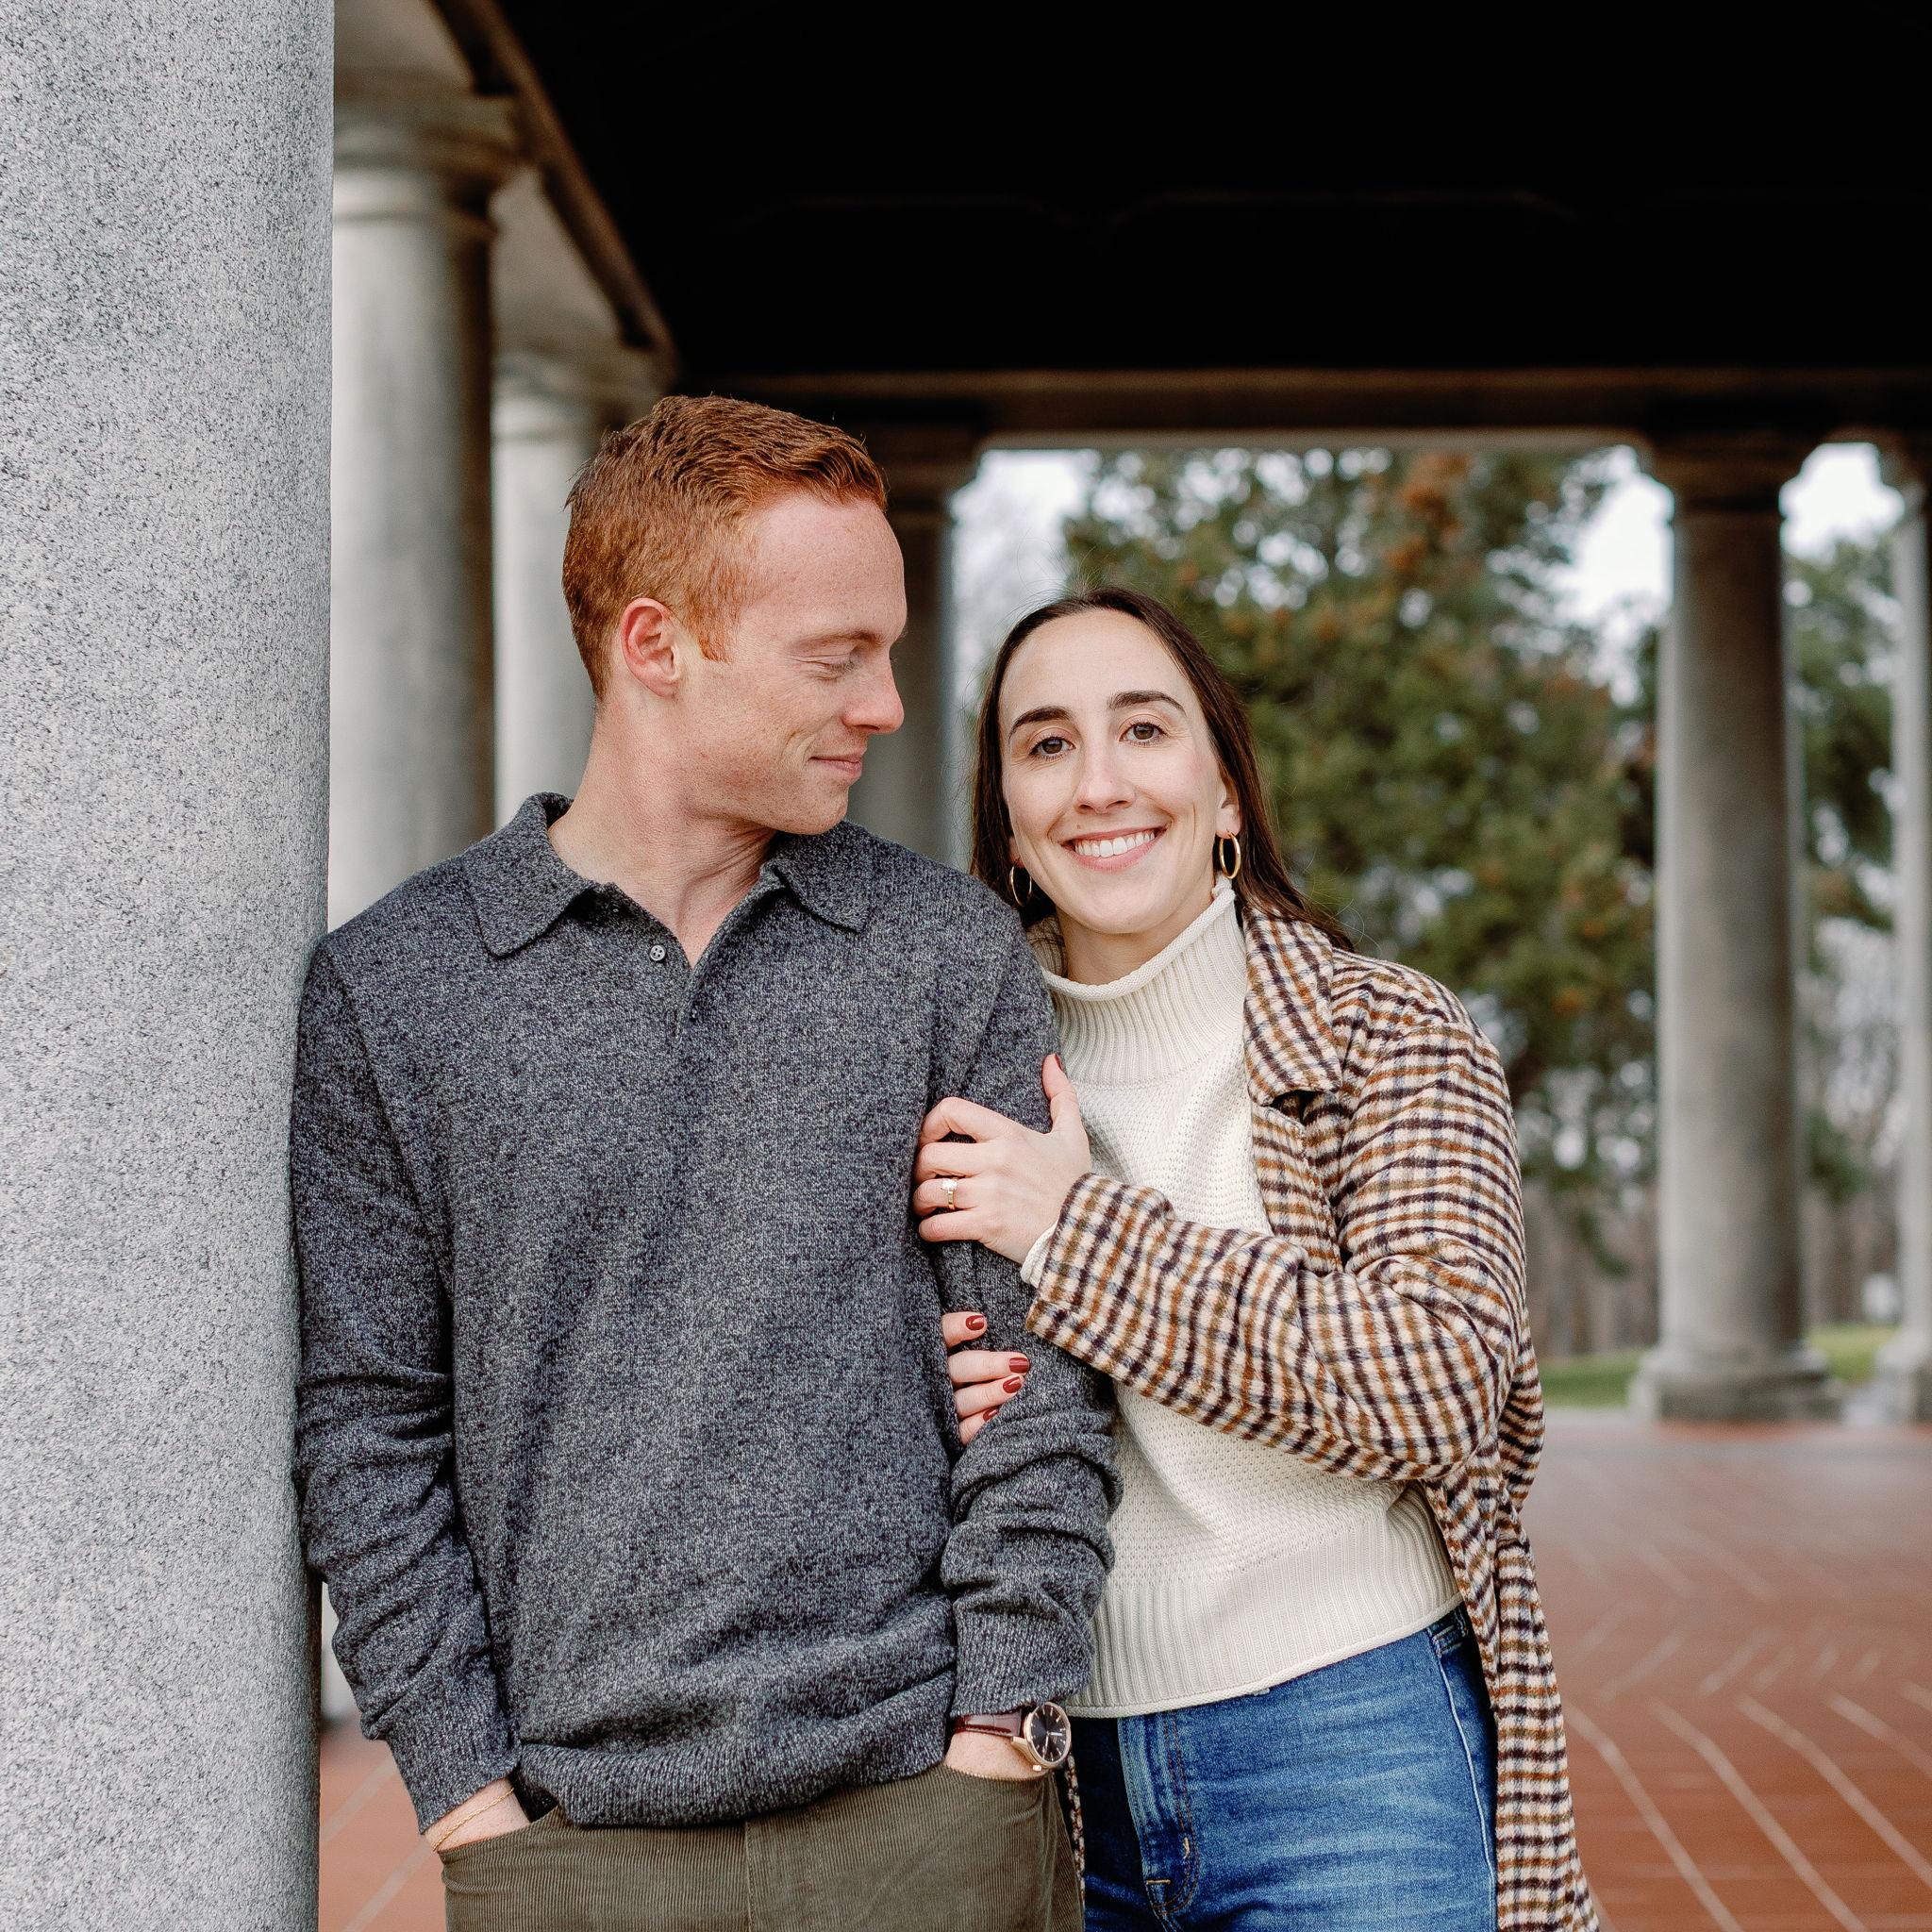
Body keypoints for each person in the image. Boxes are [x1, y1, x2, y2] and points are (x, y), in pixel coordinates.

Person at [291, 396, 1116, 1932]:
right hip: (569, 1851)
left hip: (925, 1827)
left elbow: (1036, 1363)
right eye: (835, 657)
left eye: (888, 649)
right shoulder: (397, 991)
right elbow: (369, 1424)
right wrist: (470, 1801)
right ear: (655, 645)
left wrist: (1000, 1736)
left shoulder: (943, 952)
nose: (885, 703)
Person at [921, 588, 1598, 1931]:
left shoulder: (1388, 1038)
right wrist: (918, 1402)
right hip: (1043, 1766)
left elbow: (1435, 1375)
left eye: (1145, 730)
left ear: (1226, 791)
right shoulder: (946, 1071)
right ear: (1004, 822)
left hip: (1354, 1747)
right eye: (1046, 745)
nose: (1099, 782)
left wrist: (1070, 1229)